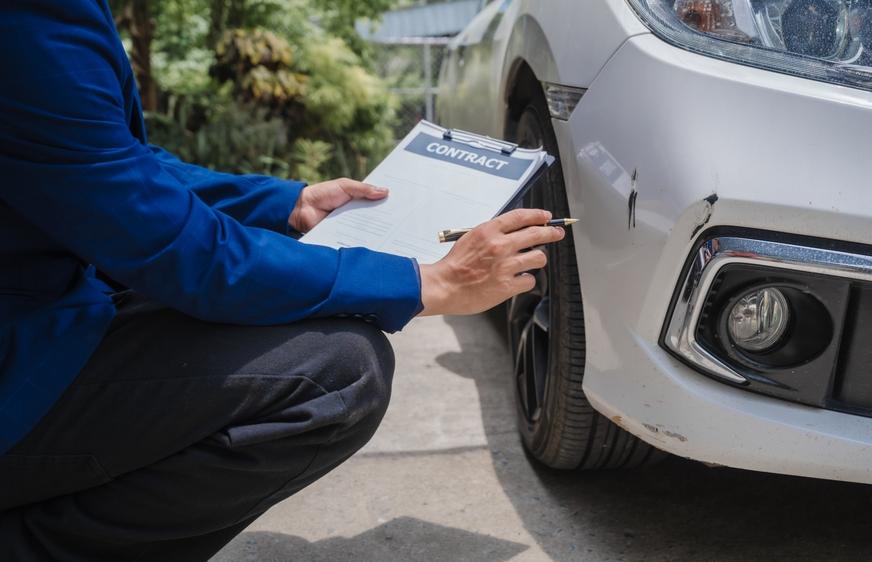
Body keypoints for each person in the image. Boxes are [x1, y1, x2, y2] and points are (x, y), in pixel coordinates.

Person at [0, 1, 564, 560]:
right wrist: (422, 282)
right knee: (336, 374)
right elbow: (178, 252)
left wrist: (287, 203)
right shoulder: (29, 21)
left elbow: (113, 163)